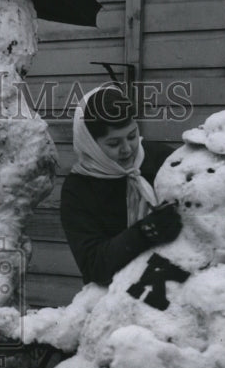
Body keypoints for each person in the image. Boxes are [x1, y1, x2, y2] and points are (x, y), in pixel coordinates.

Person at [60, 84, 183, 286]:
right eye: (113, 144)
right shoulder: (79, 189)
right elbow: (94, 266)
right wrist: (144, 232)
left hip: (176, 283)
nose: (127, 149)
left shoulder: (163, 160)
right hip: (114, 294)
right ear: (91, 144)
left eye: (132, 136)